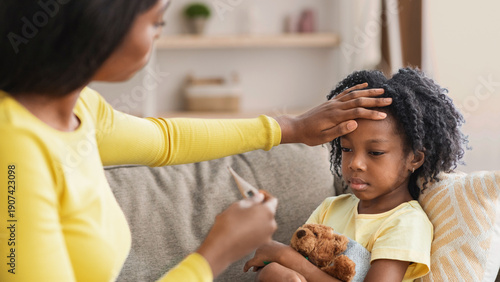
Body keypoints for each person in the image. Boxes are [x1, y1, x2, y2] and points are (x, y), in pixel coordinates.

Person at [0, 1, 393, 281]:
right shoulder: (14, 150)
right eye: (155, 21)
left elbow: (164, 140)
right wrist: (217, 252)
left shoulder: (78, 107)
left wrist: (291, 128)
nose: (159, 31)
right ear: (98, 25)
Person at [244, 68, 468, 282]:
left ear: (415, 159)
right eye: (347, 149)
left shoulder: (406, 223)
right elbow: (290, 263)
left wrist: (284, 257)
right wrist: (272, 270)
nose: (355, 163)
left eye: (375, 152)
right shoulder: (330, 208)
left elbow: (293, 261)